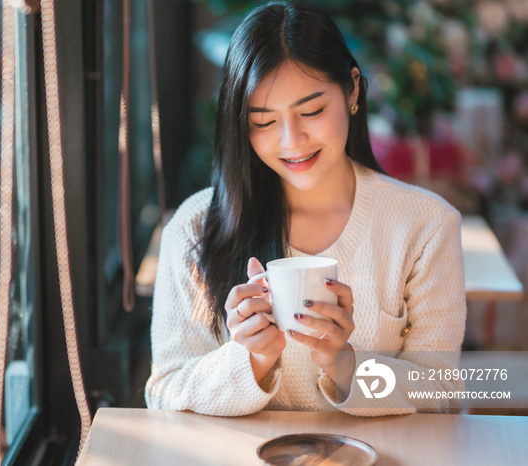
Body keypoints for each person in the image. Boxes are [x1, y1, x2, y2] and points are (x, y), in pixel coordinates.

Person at [145, 0, 466, 416]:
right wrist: (252, 360)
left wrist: (344, 365)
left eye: (311, 111)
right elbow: (164, 392)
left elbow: (440, 391)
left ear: (352, 90)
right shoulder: (194, 228)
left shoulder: (425, 226)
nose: (291, 141)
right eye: (263, 122)